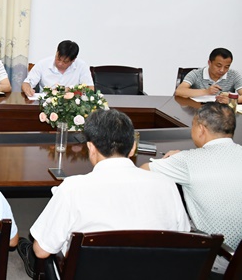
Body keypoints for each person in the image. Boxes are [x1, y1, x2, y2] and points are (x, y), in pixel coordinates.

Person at [17, 109, 189, 278]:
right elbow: (183, 239)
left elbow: (41, 251)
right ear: (133, 148)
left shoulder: (72, 189)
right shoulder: (167, 185)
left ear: (91, 148)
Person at [142, 102, 242, 275]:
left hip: (217, 260)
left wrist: (178, 159)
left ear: (201, 129)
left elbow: (143, 171)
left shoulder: (188, 161)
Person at [21, 40, 94, 97]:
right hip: (46, 105)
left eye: (65, 62)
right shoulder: (43, 64)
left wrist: (70, 90)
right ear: (56, 52)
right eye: (58, 59)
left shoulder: (81, 66)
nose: (60, 63)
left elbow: (90, 89)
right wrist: (28, 89)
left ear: (73, 60)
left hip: (72, 106)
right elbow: (26, 83)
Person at [175, 48, 242, 105]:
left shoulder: (234, 75)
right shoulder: (196, 74)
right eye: (218, 66)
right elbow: (179, 91)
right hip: (199, 110)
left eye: (226, 67)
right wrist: (206, 91)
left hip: (223, 112)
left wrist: (231, 101)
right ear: (209, 63)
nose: (222, 70)